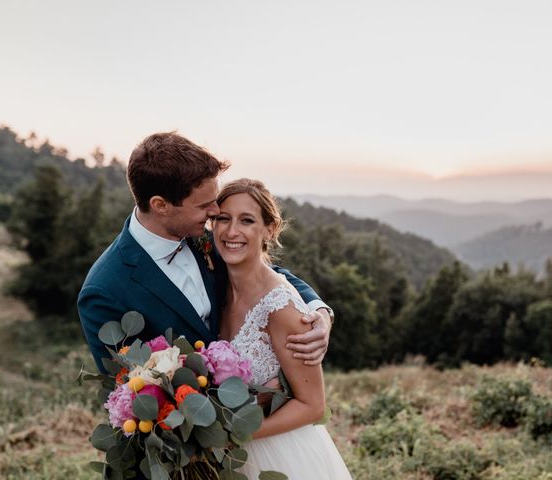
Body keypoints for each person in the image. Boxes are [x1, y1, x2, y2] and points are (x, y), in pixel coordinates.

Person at [78, 132, 332, 374]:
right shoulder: (104, 292)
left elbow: (263, 275)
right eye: (204, 205)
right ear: (160, 205)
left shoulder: (201, 236)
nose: (215, 211)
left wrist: (318, 310)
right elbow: (130, 389)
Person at [213, 178, 351, 479]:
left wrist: (237, 435)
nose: (231, 231)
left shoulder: (282, 307)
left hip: (279, 455)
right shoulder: (216, 283)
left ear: (269, 230)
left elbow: (312, 405)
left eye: (246, 220)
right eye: (223, 219)